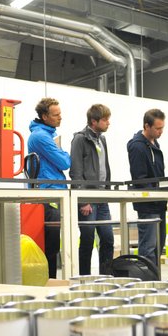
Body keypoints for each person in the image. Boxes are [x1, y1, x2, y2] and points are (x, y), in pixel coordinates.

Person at [27, 98, 70, 278]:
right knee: (50, 247)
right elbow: (65, 162)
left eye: (60, 113)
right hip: (48, 194)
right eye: (56, 114)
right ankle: (49, 283)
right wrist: (64, 153)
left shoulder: (45, 135)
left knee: (52, 245)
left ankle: (49, 281)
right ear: (45, 117)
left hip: (51, 192)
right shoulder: (41, 137)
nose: (60, 117)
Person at [69, 104, 114, 275]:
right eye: (105, 120)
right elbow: (76, 171)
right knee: (87, 241)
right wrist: (83, 201)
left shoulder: (102, 139)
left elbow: (105, 167)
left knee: (108, 239)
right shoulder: (80, 139)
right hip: (87, 199)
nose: (108, 123)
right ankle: (84, 278)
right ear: (94, 121)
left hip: (102, 198)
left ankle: (106, 277)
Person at [127, 109, 167, 265]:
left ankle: (154, 277)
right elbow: (140, 177)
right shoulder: (137, 147)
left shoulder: (155, 144)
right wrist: (155, 193)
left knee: (158, 246)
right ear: (146, 126)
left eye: (162, 128)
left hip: (159, 202)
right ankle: (146, 277)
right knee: (148, 247)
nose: (161, 132)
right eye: (157, 128)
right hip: (148, 204)